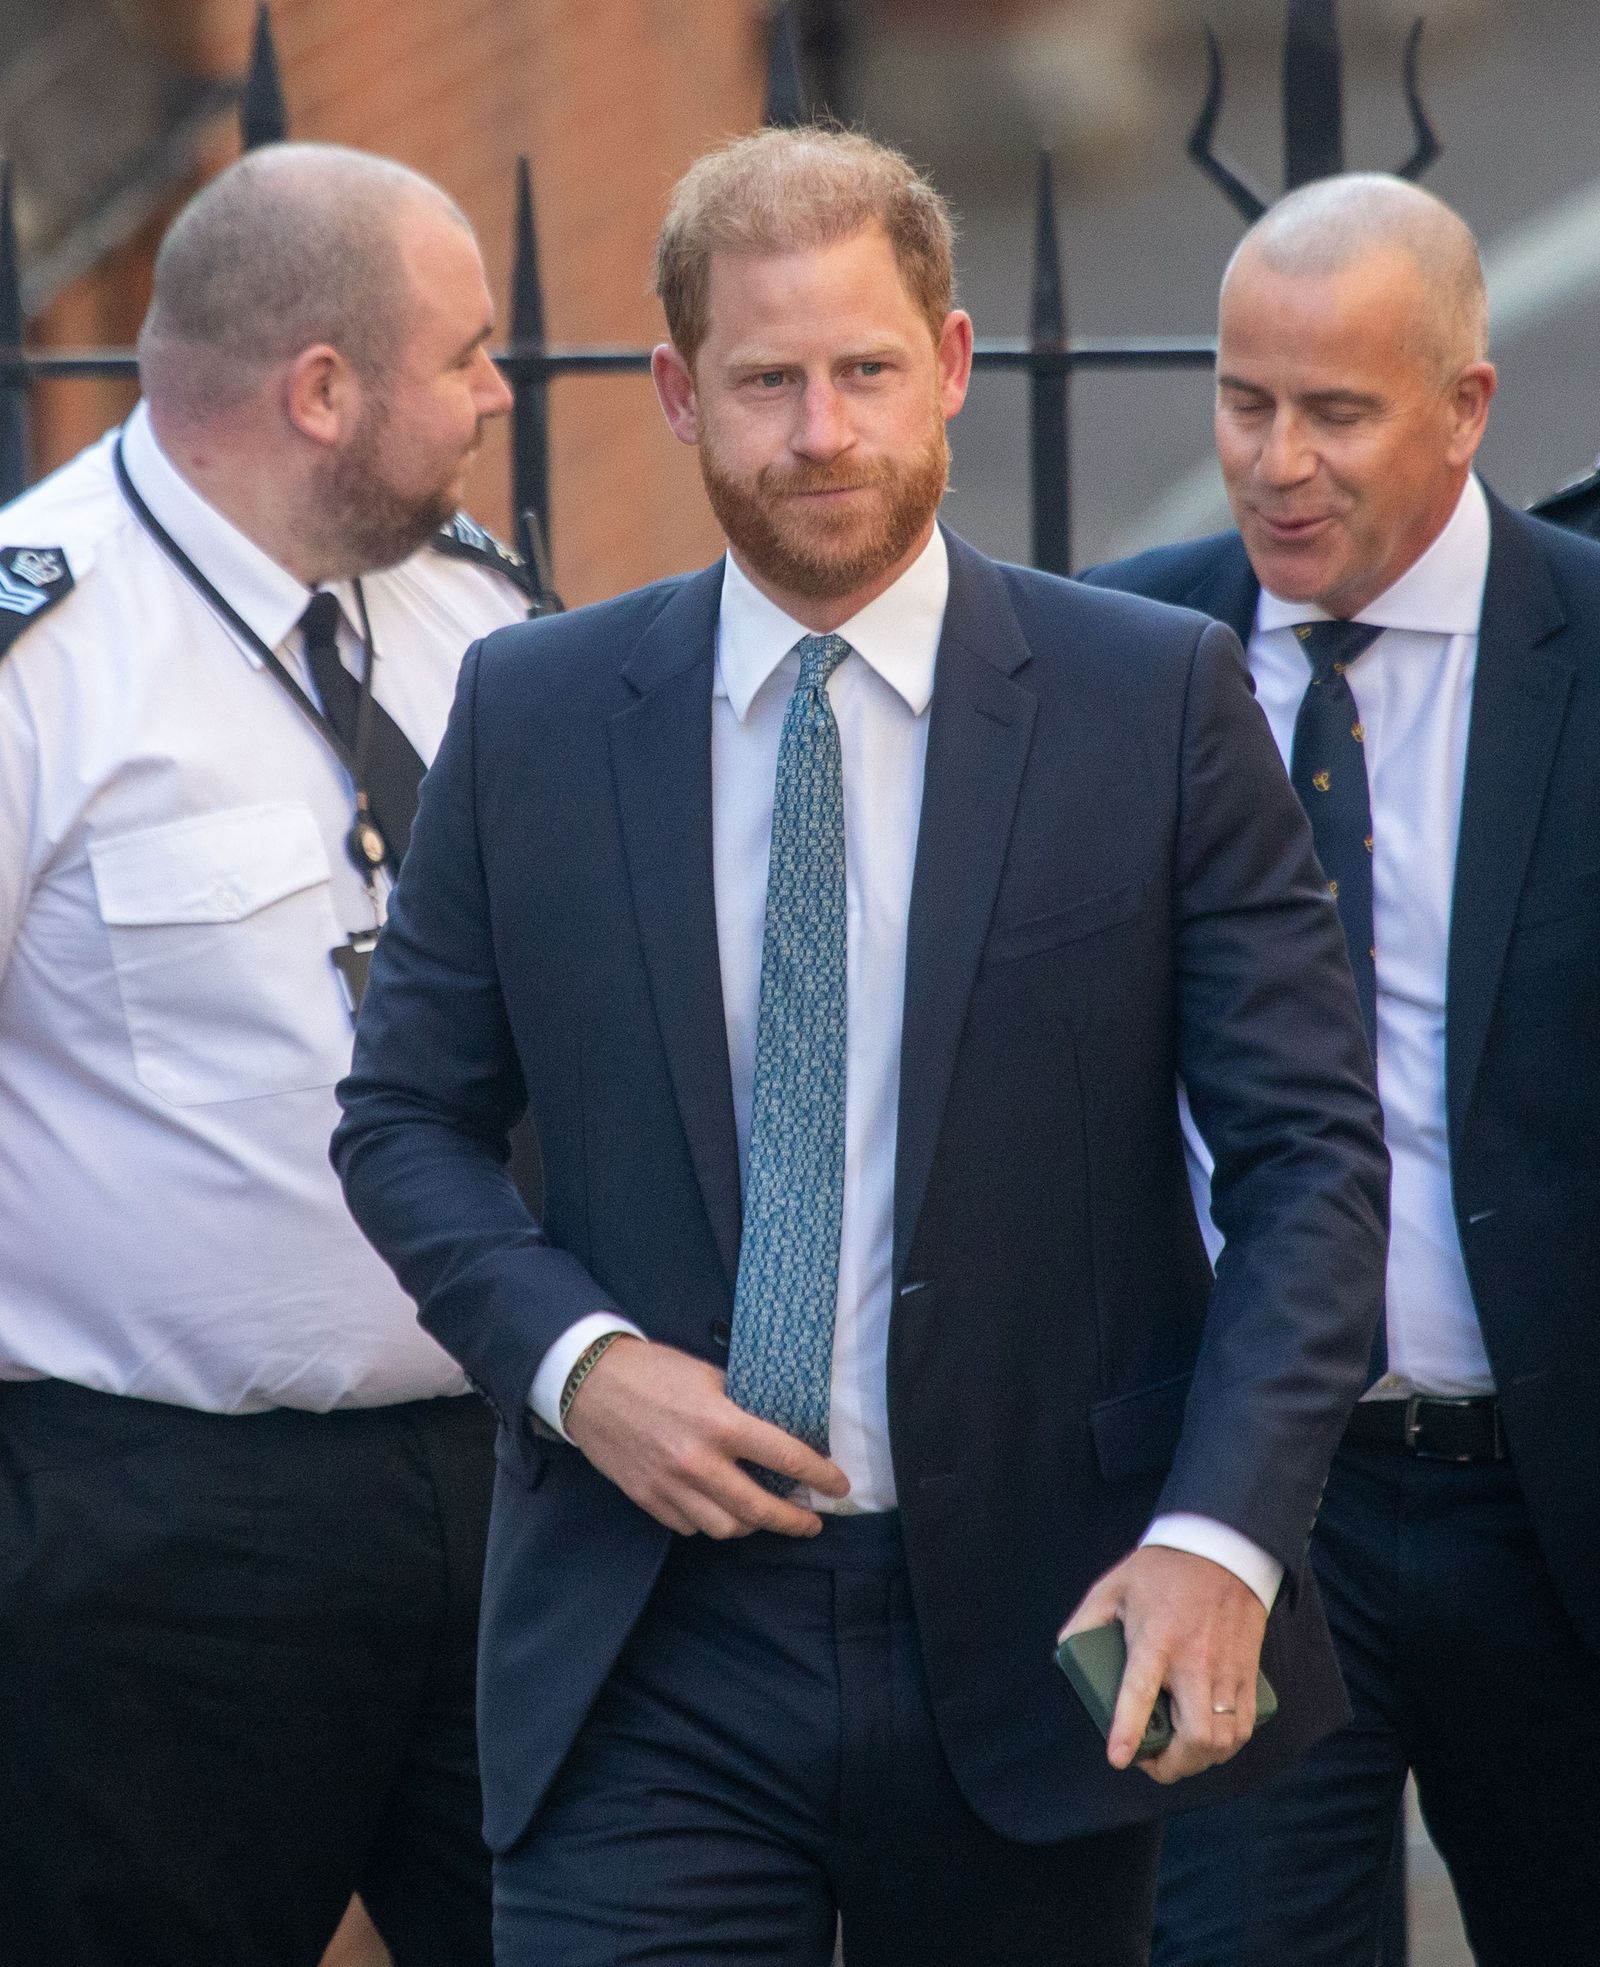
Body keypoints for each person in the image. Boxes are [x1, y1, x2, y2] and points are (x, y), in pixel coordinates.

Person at [333, 126, 1388, 1966]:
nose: (822, 430)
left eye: (866, 371)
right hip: (646, 1639)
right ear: (677, 394)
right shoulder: (532, 713)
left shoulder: (1153, 704)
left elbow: (1309, 1162)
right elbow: (404, 1121)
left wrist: (1224, 1537)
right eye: (766, 381)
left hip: (1043, 1619)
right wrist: (579, 1367)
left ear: (954, 369)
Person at [0, 143, 532, 1967]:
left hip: (510, 1485)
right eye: (466, 355)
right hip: (159, 1552)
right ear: (323, 390)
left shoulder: (477, 613)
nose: (499, 393)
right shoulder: (37, 651)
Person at [1083, 173, 1600, 1967]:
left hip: (1550, 1506)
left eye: (1336, 412)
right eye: (1244, 403)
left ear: (1466, 407)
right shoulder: (1116, 658)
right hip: (1241, 1517)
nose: (1276, 461)